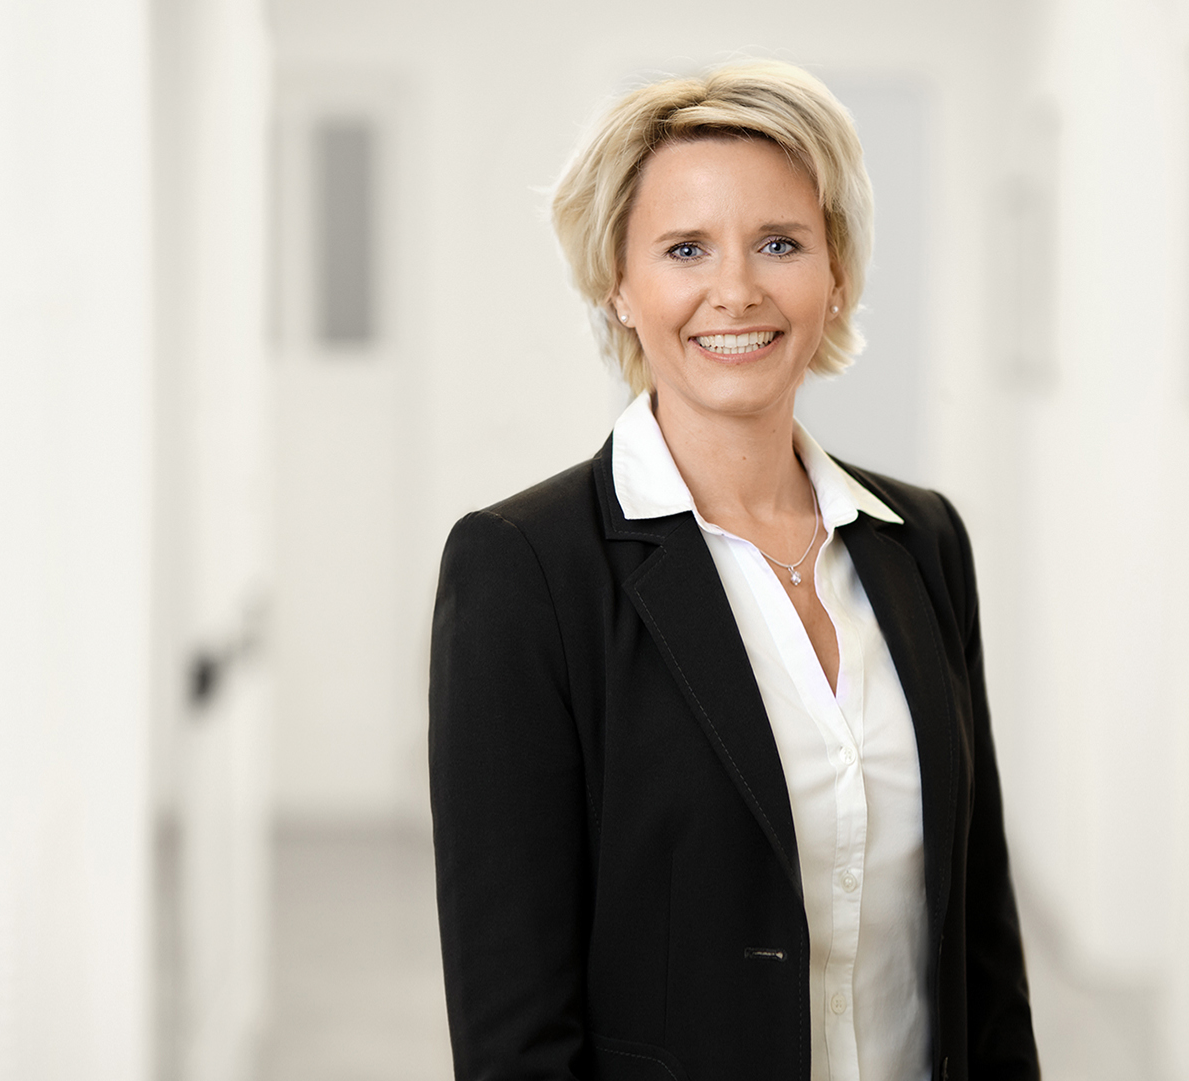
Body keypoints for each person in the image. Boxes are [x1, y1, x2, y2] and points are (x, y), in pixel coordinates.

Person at [428, 60, 1038, 1081]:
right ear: (617, 285)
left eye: (779, 243)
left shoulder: (921, 541)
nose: (737, 289)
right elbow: (511, 1021)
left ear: (835, 274)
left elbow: (981, 937)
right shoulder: (523, 569)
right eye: (685, 249)